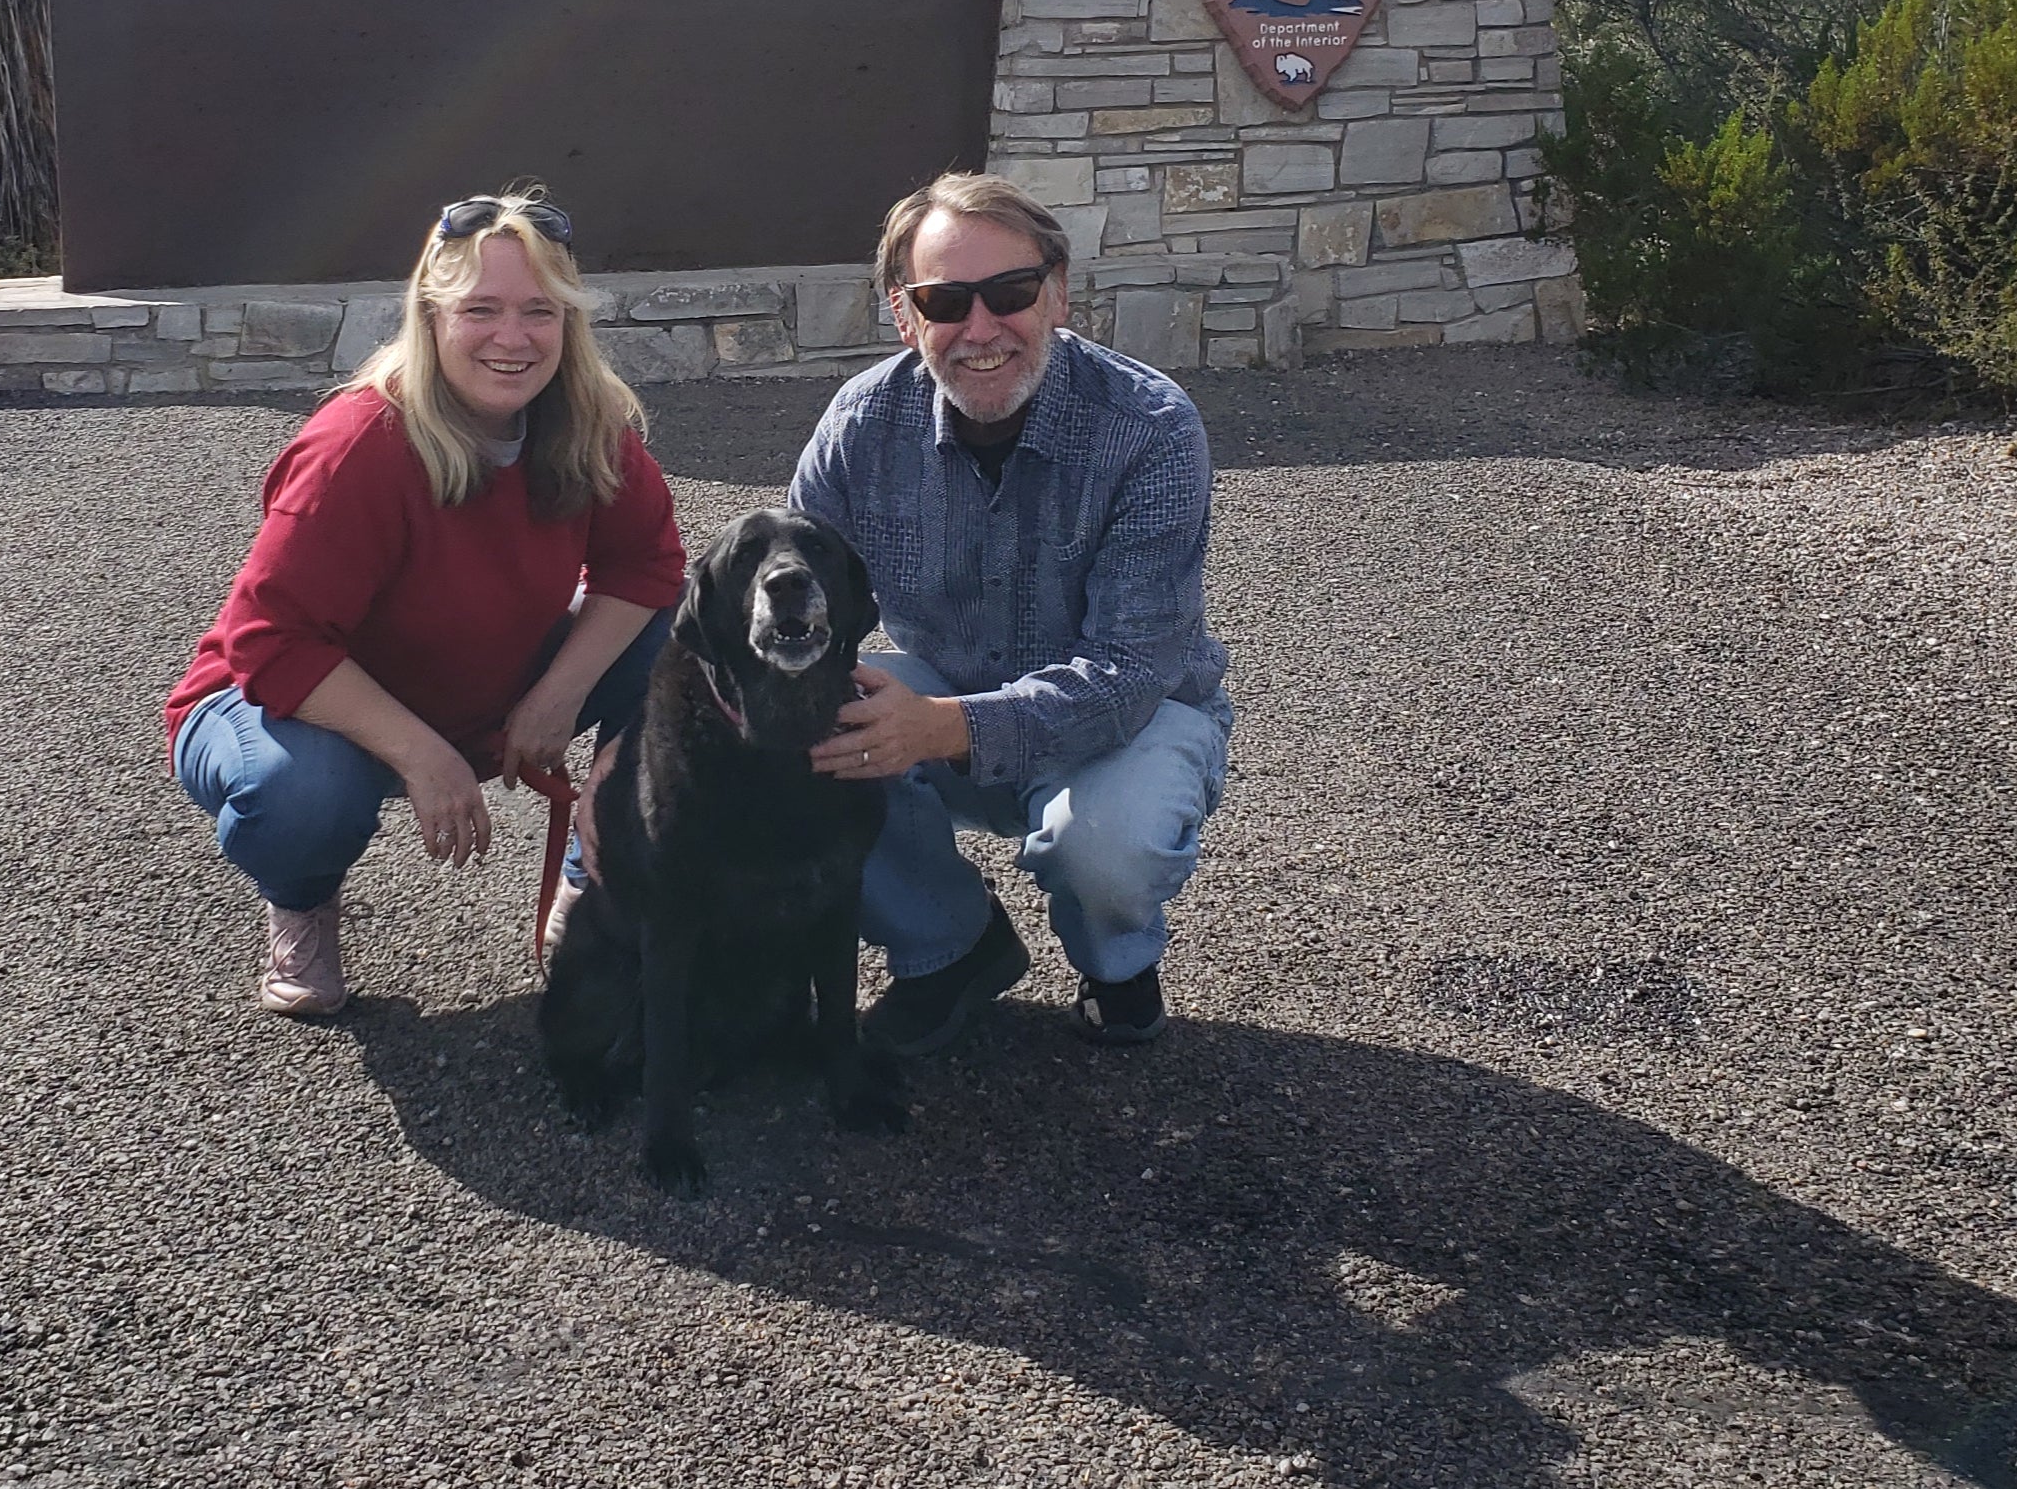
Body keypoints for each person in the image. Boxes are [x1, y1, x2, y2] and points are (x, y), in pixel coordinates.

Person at [165, 191, 685, 1017]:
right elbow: (273, 641)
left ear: (569, 323)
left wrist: (561, 695)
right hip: (281, 701)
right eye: (480, 308)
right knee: (302, 795)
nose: (512, 338)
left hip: (478, 689)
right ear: (431, 314)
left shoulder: (590, 425)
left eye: (537, 311)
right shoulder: (360, 444)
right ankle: (300, 900)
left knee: (683, 649)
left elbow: (648, 567)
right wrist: (423, 753)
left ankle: (601, 865)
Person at [788, 171, 1234, 1050]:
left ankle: (1116, 961)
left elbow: (1132, 670)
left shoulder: (1150, 426)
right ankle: (950, 945)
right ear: (904, 313)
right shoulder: (859, 426)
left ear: (1059, 292)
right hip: (944, 689)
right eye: (946, 299)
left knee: (1105, 845)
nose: (982, 328)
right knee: (797, 733)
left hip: (1129, 717)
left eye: (1012, 291)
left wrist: (941, 728)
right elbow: (793, 602)